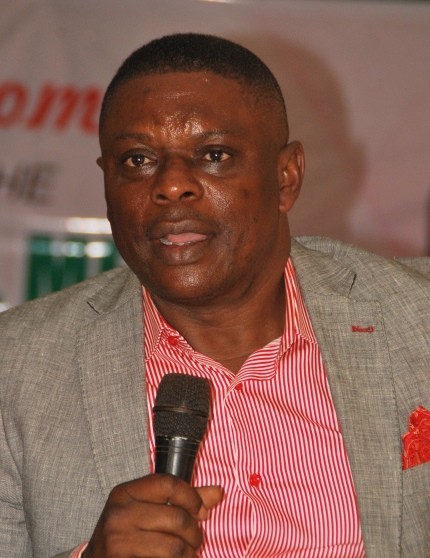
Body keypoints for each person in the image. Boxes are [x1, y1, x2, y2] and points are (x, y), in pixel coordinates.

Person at [0, 33, 429, 558]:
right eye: (137, 160)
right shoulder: (15, 369)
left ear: (286, 177)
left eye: (214, 155)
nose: (171, 186)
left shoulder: (417, 320)